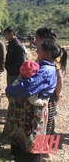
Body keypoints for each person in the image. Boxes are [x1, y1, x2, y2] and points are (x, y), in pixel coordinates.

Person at [3, 38, 62, 162]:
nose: (36, 51)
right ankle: (46, 154)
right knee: (40, 136)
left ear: (47, 53)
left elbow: (27, 88)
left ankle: (45, 154)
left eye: (39, 49)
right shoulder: (45, 66)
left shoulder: (45, 70)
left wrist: (9, 91)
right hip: (37, 109)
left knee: (33, 144)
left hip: (33, 113)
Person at [34, 26, 67, 161]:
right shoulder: (48, 50)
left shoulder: (51, 52)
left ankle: (46, 152)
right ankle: (46, 150)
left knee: (47, 123)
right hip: (48, 92)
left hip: (50, 94)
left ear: (42, 39)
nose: (35, 42)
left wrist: (58, 94)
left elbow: (59, 77)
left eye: (36, 39)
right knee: (48, 122)